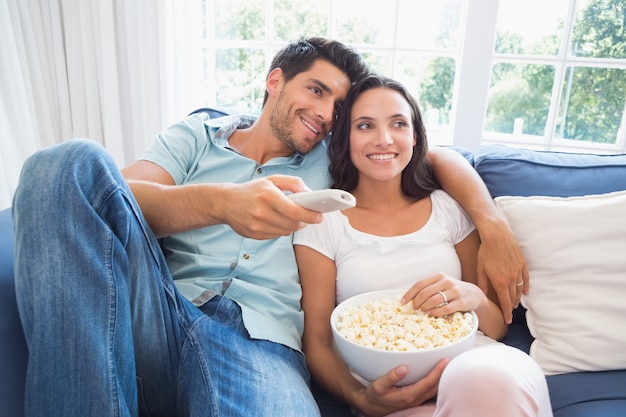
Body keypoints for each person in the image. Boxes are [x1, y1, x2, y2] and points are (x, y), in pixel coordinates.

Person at [13, 37, 523, 417]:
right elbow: (115, 198)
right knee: (65, 163)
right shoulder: (198, 136)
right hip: (160, 311)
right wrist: (221, 204)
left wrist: (492, 222)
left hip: (261, 341)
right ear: (275, 81)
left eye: (338, 109)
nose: (325, 115)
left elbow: (425, 150)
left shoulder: (336, 154)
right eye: (316, 91)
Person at [293, 74, 552, 417]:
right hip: (392, 393)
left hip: (480, 364)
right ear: (345, 139)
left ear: (414, 136)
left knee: (479, 380)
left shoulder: (448, 207)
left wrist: (472, 296)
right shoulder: (323, 222)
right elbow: (318, 343)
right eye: (365, 125)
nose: (384, 139)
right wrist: (361, 398)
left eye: (398, 123)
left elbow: (496, 327)